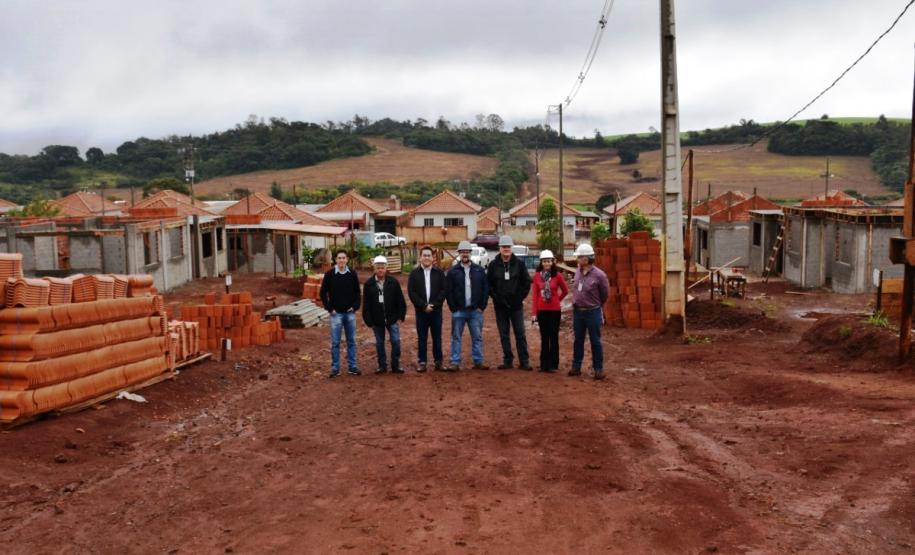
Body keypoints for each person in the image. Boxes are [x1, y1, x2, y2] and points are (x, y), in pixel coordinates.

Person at [486, 235, 532, 370]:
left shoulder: (520, 264)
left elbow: (526, 283)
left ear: (511, 248)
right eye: (503, 247)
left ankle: (524, 361)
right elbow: (489, 285)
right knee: (504, 334)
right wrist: (496, 298)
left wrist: (519, 298)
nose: (506, 249)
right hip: (500, 306)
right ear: (499, 248)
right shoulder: (493, 265)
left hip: (516, 306)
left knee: (520, 333)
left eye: (508, 247)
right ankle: (508, 360)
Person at [445, 240, 489, 371]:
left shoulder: (479, 270)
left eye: (467, 252)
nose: (465, 254)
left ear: (470, 253)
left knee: (477, 337)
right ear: (459, 253)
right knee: (456, 337)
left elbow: (485, 289)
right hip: (459, 311)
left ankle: (478, 361)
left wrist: (482, 306)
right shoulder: (452, 272)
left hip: (475, 311)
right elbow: (449, 291)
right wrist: (453, 308)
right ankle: (455, 361)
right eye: (462, 252)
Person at [569, 243, 610, 380]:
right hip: (578, 312)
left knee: (595, 341)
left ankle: (598, 369)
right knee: (578, 340)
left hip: (593, 312)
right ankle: (576, 367)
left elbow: (604, 294)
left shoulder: (600, 275)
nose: (577, 259)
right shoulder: (578, 271)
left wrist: (597, 306)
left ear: (586, 259)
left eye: (579, 257)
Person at [320, 249, 362, 378]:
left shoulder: (352, 274)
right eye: (339, 258)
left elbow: (357, 293)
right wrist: (329, 308)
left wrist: (355, 307)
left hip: (349, 314)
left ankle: (352, 366)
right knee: (335, 342)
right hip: (336, 314)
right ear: (335, 260)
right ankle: (335, 368)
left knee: (351, 341)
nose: (342, 260)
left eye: (344, 258)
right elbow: (323, 293)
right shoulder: (330, 275)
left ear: (347, 260)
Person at [362, 255, 407, 374]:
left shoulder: (393, 282)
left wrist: (400, 316)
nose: (380, 270)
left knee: (396, 341)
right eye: (378, 267)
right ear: (374, 269)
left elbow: (400, 300)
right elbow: (366, 304)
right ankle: (382, 366)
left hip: (392, 318)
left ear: (386, 268)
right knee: (380, 343)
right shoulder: (369, 284)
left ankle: (395, 365)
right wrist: (369, 320)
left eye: (382, 267)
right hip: (377, 320)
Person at [407, 245, 447, 372]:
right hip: (421, 312)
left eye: (429, 255)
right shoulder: (414, 274)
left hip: (436, 312)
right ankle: (422, 362)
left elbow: (443, 290)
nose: (426, 257)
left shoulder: (439, 273)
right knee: (422, 337)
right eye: (424, 255)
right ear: (420, 257)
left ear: (433, 258)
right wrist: (423, 305)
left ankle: (438, 361)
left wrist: (433, 305)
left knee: (437, 337)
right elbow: (411, 292)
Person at [531, 250, 568, 373]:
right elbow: (535, 295)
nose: (547, 263)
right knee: (544, 337)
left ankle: (553, 364)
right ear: (541, 262)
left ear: (552, 262)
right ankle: (544, 364)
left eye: (549, 261)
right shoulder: (537, 276)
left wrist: (557, 300)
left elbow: (565, 291)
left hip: (554, 311)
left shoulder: (557, 275)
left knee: (553, 337)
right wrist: (534, 313)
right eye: (544, 261)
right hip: (542, 311)